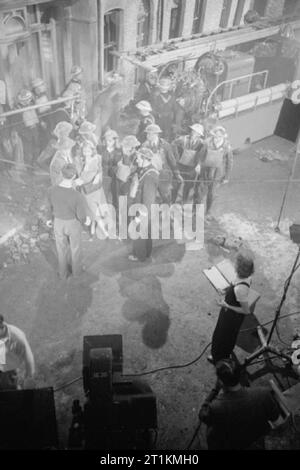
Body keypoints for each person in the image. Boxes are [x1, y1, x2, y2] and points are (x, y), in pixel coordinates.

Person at [199, 358, 281, 449]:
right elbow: (276, 418)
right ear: (240, 376)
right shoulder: (264, 394)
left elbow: (202, 415)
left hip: (233, 444)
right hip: (258, 439)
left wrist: (214, 390)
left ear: (220, 382)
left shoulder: (215, 408)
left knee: (208, 432)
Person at [46, 163, 90, 280]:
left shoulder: (51, 190)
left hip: (58, 223)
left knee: (61, 248)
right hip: (72, 224)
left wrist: (49, 219)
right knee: (75, 248)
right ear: (74, 176)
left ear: (61, 174)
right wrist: (86, 221)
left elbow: (49, 207)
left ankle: (63, 273)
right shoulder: (77, 195)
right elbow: (81, 215)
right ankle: (77, 272)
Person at [210, 250, 255, 364]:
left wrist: (227, 305)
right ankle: (224, 354)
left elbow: (246, 310)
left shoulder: (240, 289)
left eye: (236, 263)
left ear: (239, 268)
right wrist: (225, 290)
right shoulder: (247, 278)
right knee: (227, 336)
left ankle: (219, 358)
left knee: (222, 336)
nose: (234, 264)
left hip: (231, 316)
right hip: (231, 311)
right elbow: (235, 284)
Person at [128, 148, 159, 262]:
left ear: (145, 159)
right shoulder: (145, 170)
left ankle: (139, 255)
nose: (136, 161)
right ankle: (146, 253)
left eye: (139, 158)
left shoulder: (150, 175)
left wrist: (141, 214)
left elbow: (149, 198)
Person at [197, 125, 233, 221]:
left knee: (212, 193)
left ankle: (208, 212)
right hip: (205, 171)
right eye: (216, 136)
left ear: (223, 136)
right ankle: (196, 211)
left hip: (217, 173)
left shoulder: (227, 146)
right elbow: (200, 155)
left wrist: (226, 177)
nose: (217, 138)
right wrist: (198, 165)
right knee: (200, 191)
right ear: (213, 135)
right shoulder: (207, 143)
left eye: (220, 136)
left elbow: (229, 162)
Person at [142, 124, 183, 204]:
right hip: (150, 175)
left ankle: (167, 212)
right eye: (147, 133)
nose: (147, 135)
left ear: (156, 134)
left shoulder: (165, 145)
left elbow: (172, 161)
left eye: (150, 133)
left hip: (164, 175)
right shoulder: (144, 145)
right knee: (150, 197)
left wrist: (177, 174)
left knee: (165, 196)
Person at [75, 141, 107, 237]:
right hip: (86, 189)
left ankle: (93, 225)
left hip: (96, 188)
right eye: (84, 151)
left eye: (89, 150)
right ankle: (105, 232)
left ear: (92, 150)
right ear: (81, 151)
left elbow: (100, 169)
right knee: (92, 210)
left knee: (97, 208)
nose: (86, 152)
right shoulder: (78, 160)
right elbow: (80, 175)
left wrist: (97, 175)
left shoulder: (98, 158)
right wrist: (87, 168)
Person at [172, 123, 207, 204]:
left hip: (192, 167)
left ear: (199, 134)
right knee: (176, 183)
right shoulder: (183, 139)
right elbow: (173, 144)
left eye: (197, 132)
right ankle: (172, 201)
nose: (194, 133)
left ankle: (183, 201)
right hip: (180, 165)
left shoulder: (202, 143)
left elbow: (202, 155)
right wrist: (176, 155)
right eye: (193, 131)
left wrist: (198, 165)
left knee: (188, 185)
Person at [0, 314, 35, 390]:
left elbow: (29, 359)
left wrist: (29, 378)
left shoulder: (17, 336)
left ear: (1, 325)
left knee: (13, 396)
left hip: (10, 372)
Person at [14, 89, 40, 167]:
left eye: (28, 99)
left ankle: (35, 164)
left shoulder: (32, 104)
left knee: (37, 147)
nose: (27, 101)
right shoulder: (17, 109)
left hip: (35, 129)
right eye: (24, 100)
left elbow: (37, 115)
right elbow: (17, 124)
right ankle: (29, 169)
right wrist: (23, 133)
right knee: (28, 152)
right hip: (26, 132)